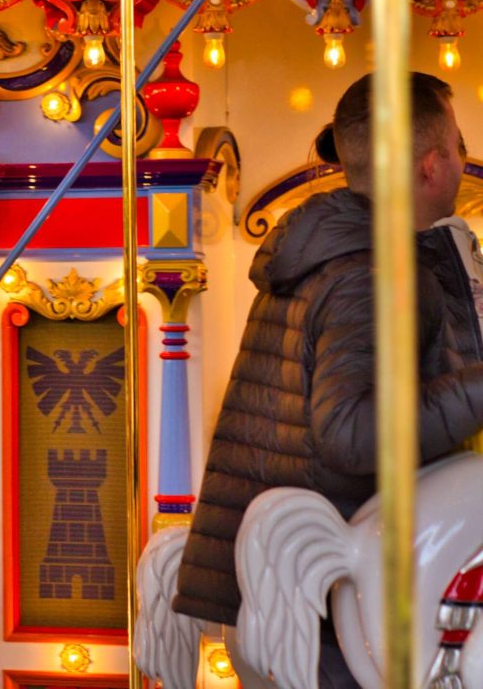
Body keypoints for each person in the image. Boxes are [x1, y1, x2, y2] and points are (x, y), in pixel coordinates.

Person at [172, 72, 483, 687]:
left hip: (297, 589)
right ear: (431, 164)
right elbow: (350, 431)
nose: (463, 157)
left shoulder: (331, 250)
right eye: (458, 144)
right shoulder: (370, 270)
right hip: (337, 604)